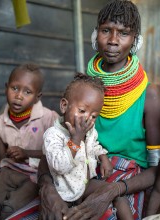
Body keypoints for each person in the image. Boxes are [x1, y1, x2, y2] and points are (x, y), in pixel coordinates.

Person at [38, 0, 160, 219]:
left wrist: (113, 190)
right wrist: (47, 188)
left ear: (136, 41)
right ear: (95, 35)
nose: (113, 41)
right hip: (85, 171)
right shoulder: (83, 90)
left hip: (128, 182)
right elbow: (57, 141)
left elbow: (158, 169)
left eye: (124, 33)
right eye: (106, 30)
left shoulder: (149, 95)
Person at [0, 63, 59, 220]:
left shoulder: (49, 119)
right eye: (14, 88)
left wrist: (26, 153)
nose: (19, 96)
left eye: (27, 92)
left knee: (10, 209)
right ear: (6, 88)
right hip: (9, 171)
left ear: (37, 97)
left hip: (37, 175)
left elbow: (57, 155)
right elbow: (1, 160)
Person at [43, 73, 134, 219]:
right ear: (64, 105)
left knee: (117, 194)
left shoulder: (89, 130)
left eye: (93, 116)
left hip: (87, 185)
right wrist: (76, 139)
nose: (87, 119)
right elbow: (59, 166)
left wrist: (103, 157)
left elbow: (94, 145)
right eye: (82, 111)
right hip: (65, 192)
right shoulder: (53, 135)